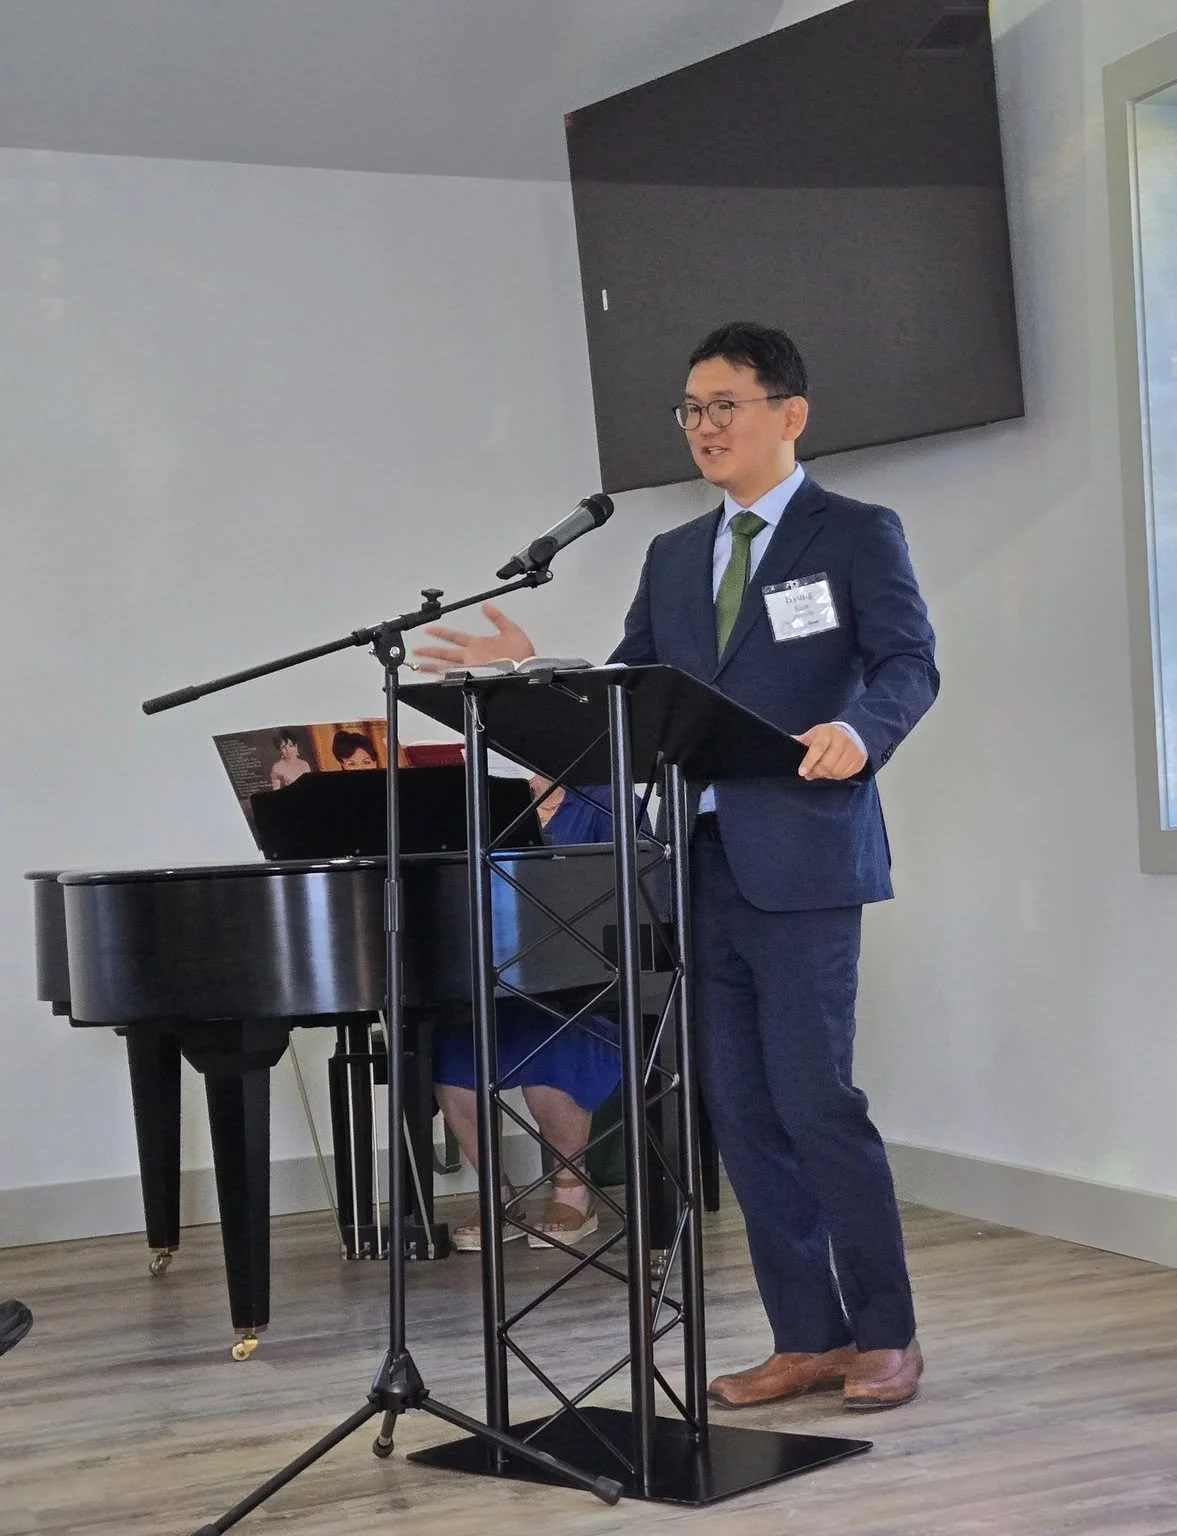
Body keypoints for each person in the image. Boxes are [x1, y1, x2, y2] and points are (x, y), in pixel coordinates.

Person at [417, 321, 938, 1410]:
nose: (703, 427)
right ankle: (807, 1336)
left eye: (723, 406)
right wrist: (533, 680)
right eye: (690, 411)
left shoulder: (853, 534)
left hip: (802, 859)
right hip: (689, 865)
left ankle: (884, 1333)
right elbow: (628, 692)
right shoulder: (672, 557)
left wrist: (861, 731)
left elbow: (905, 663)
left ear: (786, 414)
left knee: (815, 1102)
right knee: (739, 1110)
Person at [429, 780, 623, 1251]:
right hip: (501, 986)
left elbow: (635, 889)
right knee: (453, 1057)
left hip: (586, 991)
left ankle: (574, 1193)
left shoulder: (604, 799)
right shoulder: (486, 799)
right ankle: (498, 1196)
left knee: (552, 1051)